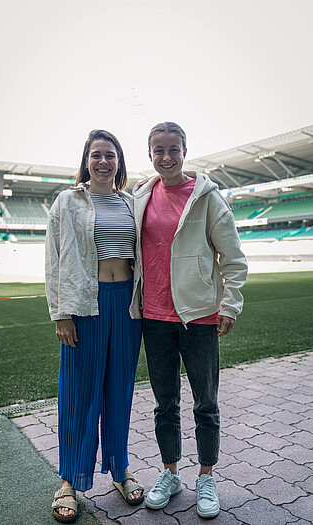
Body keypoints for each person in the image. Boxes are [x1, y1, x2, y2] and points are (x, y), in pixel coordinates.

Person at [133, 122, 248, 519]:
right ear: (149, 154)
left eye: (173, 149)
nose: (166, 157)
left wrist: (230, 304)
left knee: (205, 403)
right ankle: (170, 473)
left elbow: (233, 259)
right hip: (153, 317)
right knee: (165, 404)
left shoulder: (207, 197)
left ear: (185, 150)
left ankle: (206, 476)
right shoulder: (140, 196)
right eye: (158, 149)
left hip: (199, 317)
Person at [45, 129, 144, 523]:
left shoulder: (130, 203)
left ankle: (119, 470)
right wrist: (60, 313)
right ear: (86, 161)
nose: (104, 161)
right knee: (78, 393)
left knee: (119, 389)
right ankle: (69, 480)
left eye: (111, 155)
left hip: (127, 306)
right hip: (84, 304)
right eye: (96, 155)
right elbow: (53, 259)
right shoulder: (68, 201)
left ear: (119, 161)